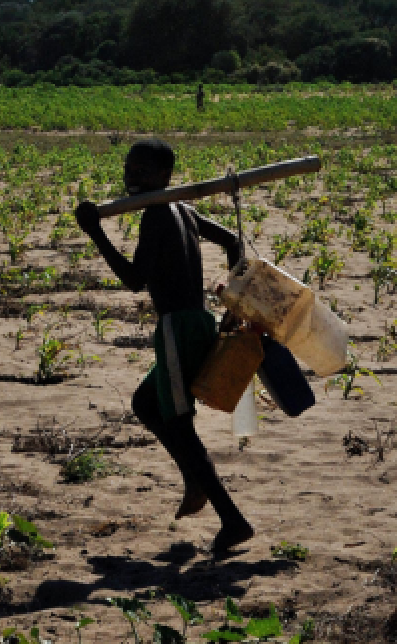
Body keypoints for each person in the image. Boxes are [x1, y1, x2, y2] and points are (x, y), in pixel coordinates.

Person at [75, 139, 255, 556]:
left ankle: (232, 520)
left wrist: (96, 233)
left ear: (164, 177)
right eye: (128, 169)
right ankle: (195, 481)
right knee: (146, 403)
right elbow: (231, 240)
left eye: (141, 171)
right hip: (195, 323)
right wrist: (234, 291)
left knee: (178, 425)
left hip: (177, 327)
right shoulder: (185, 209)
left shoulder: (157, 216)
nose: (131, 177)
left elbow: (136, 280)